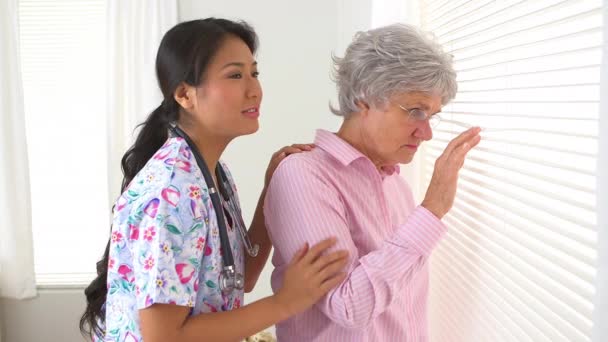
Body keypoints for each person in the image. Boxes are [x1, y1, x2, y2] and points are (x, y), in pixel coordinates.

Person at [79, 18, 349, 342]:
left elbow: (240, 279)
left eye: (254, 73)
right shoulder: (171, 193)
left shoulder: (212, 173)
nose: (255, 89)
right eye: (235, 75)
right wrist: (286, 302)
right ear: (185, 95)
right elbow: (163, 337)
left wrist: (269, 189)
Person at [264, 23, 482, 341]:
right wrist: (432, 209)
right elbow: (350, 307)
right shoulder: (304, 175)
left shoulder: (396, 185)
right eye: (416, 111)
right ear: (364, 99)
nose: (427, 132)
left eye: (432, 115)